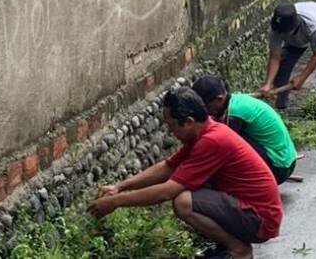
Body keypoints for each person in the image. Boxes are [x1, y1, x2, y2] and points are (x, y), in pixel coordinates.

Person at [88, 87, 282, 259]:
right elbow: (168, 167)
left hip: (260, 219)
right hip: (249, 209)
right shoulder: (204, 132)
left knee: (183, 202)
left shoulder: (212, 140)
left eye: (172, 126)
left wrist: (115, 202)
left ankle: (238, 249)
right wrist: (119, 187)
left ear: (188, 122)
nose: (171, 132)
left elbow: (167, 191)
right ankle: (226, 245)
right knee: (191, 190)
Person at [193, 75, 298, 185]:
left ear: (219, 99)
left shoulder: (235, 114)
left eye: (207, 107)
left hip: (279, 168)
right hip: (287, 161)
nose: (207, 112)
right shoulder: (236, 99)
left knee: (225, 144)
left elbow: (222, 149)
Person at [258, 1, 316, 111]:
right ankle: (280, 108)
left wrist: (301, 78)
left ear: (295, 26)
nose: (281, 35)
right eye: (280, 32)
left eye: (284, 33)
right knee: (282, 69)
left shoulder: (313, 27)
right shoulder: (276, 29)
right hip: (295, 40)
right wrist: (268, 84)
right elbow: (275, 57)